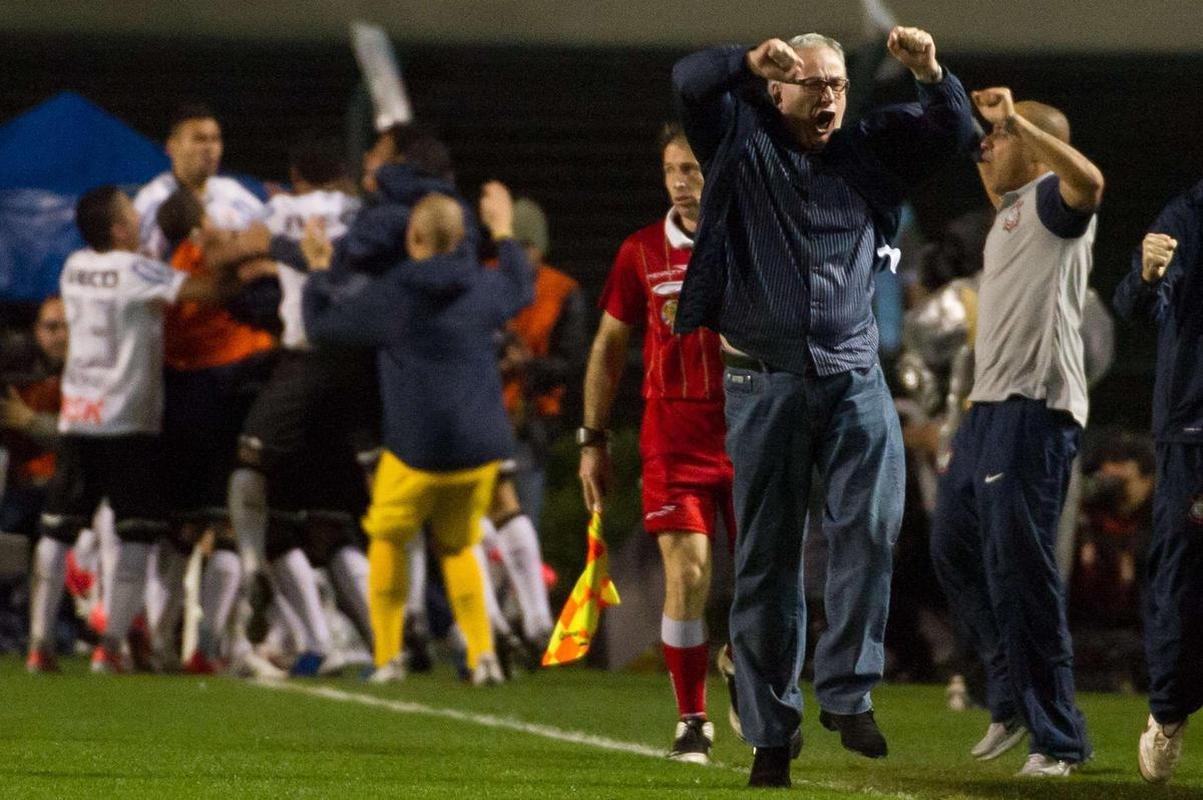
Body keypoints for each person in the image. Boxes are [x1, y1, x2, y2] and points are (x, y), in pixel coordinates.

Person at [671, 27, 973, 787]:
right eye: (812, 84)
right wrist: (744, 61)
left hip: (852, 376)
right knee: (767, 562)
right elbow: (689, 81)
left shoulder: (868, 149)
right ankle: (771, 732)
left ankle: (846, 691)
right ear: (778, 91)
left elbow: (955, 130)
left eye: (837, 83)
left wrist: (928, 71)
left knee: (871, 525)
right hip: (764, 382)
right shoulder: (740, 139)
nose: (829, 96)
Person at [929, 87, 1104, 777]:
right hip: (987, 411)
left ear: (1031, 146)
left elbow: (1089, 182)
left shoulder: (1055, 203)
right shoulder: (1007, 211)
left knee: (1023, 574)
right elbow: (983, 154)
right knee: (952, 546)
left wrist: (1018, 124)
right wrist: (950, 95)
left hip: (1034, 409)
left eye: (999, 138)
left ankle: (1057, 738)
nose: (986, 147)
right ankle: (1007, 695)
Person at [303, 182, 532, 686]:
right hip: (480, 451)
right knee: (459, 546)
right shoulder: (483, 287)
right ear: (461, 238)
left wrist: (318, 270)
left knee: (387, 540)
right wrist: (503, 231)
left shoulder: (394, 295)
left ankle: (389, 656)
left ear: (413, 238)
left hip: (417, 451)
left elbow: (322, 329)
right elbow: (521, 286)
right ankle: (484, 654)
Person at [26, 186, 237, 673]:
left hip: (79, 418)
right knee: (136, 535)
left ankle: (39, 644)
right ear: (120, 229)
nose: (140, 219)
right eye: (130, 212)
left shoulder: (74, 266)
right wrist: (220, 254)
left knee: (58, 531)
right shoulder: (135, 271)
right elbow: (207, 292)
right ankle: (111, 646)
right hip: (128, 423)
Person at [578, 123, 733, 764]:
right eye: (671, 170)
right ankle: (692, 720)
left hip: (751, 430)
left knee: (763, 579)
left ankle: (745, 660)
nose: (679, 182)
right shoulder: (641, 251)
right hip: (673, 437)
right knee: (688, 572)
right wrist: (592, 441)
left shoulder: (751, 238)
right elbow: (609, 346)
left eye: (691, 169)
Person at [1113, 179, 1203, 783]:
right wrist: (1146, 275)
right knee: (1183, 579)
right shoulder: (1188, 215)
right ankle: (1169, 712)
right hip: (1194, 432)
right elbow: (1134, 304)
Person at [133, 104, 265, 260]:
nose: (210, 148)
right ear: (171, 146)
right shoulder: (153, 200)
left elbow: (266, 234)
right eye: (199, 139)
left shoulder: (232, 190)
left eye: (215, 139)